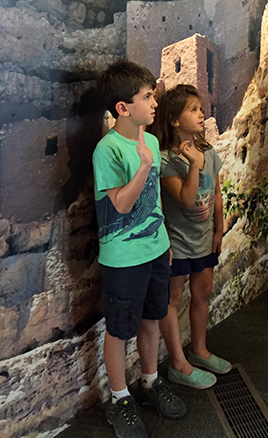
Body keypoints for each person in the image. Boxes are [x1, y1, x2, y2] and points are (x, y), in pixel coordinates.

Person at [93, 60, 186, 438]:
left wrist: (163, 245)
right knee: (119, 329)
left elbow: (155, 206)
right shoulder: (108, 149)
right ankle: (119, 399)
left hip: (154, 250)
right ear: (122, 108)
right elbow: (120, 205)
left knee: (152, 317)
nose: (154, 104)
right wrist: (145, 168)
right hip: (123, 259)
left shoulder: (148, 139)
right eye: (147, 97)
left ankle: (149, 382)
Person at [152, 84, 231, 389]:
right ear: (174, 120)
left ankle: (198, 350)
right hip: (178, 244)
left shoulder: (208, 151)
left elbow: (217, 194)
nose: (201, 114)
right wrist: (193, 165)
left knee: (203, 291)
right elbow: (185, 198)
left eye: (201, 108)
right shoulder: (166, 160)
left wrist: (219, 229)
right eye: (193, 110)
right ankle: (178, 364)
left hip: (203, 239)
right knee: (172, 298)